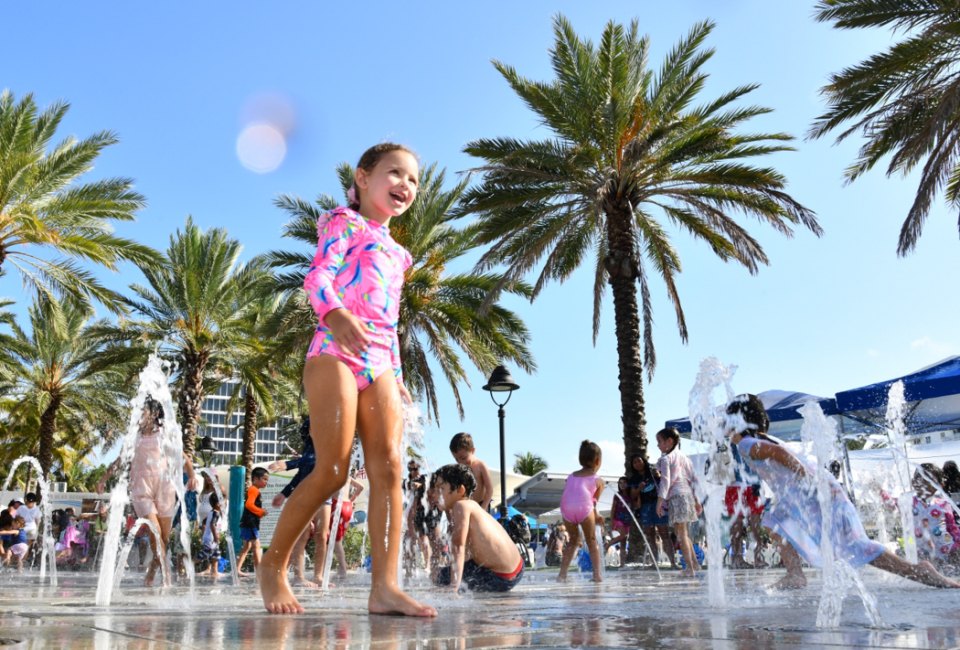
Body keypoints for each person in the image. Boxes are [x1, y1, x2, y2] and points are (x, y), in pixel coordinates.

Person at [259, 143, 436, 617]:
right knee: (333, 469)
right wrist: (335, 313)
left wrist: (396, 376)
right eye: (394, 173)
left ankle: (385, 587)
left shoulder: (400, 254)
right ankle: (272, 568)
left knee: (391, 470)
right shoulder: (343, 222)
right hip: (333, 351)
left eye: (413, 179)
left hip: (379, 360)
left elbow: (392, 322)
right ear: (362, 178)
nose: (405, 185)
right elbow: (318, 277)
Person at [726, 393, 960, 590]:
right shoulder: (759, 439)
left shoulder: (746, 444)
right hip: (810, 494)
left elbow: (781, 456)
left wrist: (808, 480)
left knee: (854, 546)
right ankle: (795, 575)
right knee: (775, 522)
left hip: (815, 493)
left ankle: (918, 571)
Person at [97, 396, 198, 586]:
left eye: (143, 412)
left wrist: (191, 475)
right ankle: (166, 576)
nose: (139, 415)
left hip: (165, 488)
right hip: (141, 489)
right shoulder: (134, 437)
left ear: (154, 414)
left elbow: (182, 457)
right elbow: (120, 459)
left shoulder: (164, 434)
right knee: (155, 532)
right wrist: (104, 478)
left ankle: (152, 570)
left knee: (165, 538)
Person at [432, 463, 523, 592]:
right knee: (448, 571)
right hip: (517, 568)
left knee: (440, 576)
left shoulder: (461, 506)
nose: (435, 494)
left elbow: (458, 547)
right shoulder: (473, 507)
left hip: (501, 577)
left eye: (440, 489)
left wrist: (453, 587)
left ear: (460, 490)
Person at [268, 417, 331, 588]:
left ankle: (318, 575)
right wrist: (284, 493)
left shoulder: (328, 444)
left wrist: (287, 464)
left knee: (322, 535)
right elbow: (304, 469)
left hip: (324, 494)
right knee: (302, 535)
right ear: (309, 431)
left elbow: (310, 462)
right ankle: (299, 576)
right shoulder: (309, 448)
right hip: (306, 494)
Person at [655, 427, 702, 577]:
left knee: (680, 534)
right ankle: (695, 564)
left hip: (677, 497)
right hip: (687, 495)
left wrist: (660, 501)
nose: (658, 445)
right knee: (683, 532)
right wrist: (697, 500)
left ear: (669, 441)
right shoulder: (684, 457)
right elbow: (694, 479)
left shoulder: (666, 459)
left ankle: (690, 567)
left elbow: (666, 480)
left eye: (660, 442)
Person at [557, 440, 605, 582]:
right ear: (597, 461)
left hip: (566, 508)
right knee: (591, 541)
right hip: (585, 508)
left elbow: (571, 492)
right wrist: (596, 515)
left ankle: (562, 575)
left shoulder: (570, 476)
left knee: (572, 541)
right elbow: (593, 502)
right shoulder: (598, 480)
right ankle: (597, 575)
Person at [628, 453, 676, 568]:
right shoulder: (634, 479)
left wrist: (658, 475)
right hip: (645, 507)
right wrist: (639, 488)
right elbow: (632, 495)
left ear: (644, 461)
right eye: (635, 462)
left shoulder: (653, 472)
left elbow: (665, 482)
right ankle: (654, 563)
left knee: (664, 534)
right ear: (632, 465)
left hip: (658, 504)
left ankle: (673, 563)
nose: (637, 464)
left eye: (639, 460)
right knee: (650, 536)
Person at [724, 443, 766, 569]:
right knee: (744, 525)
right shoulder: (736, 439)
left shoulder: (751, 439)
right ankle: (739, 558)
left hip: (752, 485)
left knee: (752, 525)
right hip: (739, 485)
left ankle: (747, 558)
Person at [237, 467, 269, 576]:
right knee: (256, 546)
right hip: (250, 523)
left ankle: (237, 569)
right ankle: (259, 571)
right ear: (255, 479)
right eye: (264, 479)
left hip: (248, 522)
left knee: (247, 546)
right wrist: (260, 511)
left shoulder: (254, 490)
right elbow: (249, 505)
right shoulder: (254, 490)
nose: (266, 482)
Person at [449, 433, 493, 512]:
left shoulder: (480, 465)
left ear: (473, 451)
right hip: (466, 506)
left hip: (481, 504)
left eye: (463, 458)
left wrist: (483, 508)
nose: (461, 462)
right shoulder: (459, 470)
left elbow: (489, 489)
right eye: (456, 459)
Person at [605, 477, 632, 567]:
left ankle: (622, 564)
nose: (622, 484)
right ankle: (608, 544)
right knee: (623, 535)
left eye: (624, 482)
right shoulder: (617, 495)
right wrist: (611, 520)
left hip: (627, 520)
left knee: (623, 541)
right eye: (620, 483)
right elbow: (613, 508)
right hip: (618, 519)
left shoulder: (630, 495)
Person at [197, 492, 223, 580]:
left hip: (210, 538)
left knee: (215, 555)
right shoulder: (215, 513)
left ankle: (214, 572)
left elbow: (204, 522)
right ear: (218, 504)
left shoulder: (211, 512)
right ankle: (191, 563)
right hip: (211, 538)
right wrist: (216, 537)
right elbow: (212, 524)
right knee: (204, 554)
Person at [16, 493, 41, 560]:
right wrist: (37, 531)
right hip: (32, 530)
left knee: (21, 546)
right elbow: (38, 521)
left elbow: (16, 517)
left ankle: (20, 562)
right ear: (34, 501)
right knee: (27, 546)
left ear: (26, 500)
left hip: (22, 530)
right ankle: (22, 562)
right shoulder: (37, 509)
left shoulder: (21, 508)